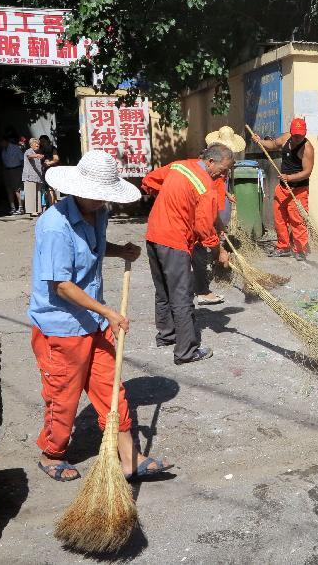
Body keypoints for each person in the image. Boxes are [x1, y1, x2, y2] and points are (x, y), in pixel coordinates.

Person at [28, 150, 171, 482]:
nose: (103, 200)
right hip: (60, 326)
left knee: (112, 388)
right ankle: (53, 453)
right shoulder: (54, 226)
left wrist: (119, 250)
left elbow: (93, 246)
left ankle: (129, 457)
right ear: (78, 188)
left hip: (93, 322)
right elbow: (61, 285)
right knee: (62, 394)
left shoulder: (99, 212)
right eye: (98, 194)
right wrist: (109, 311)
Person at [141, 143, 234, 364]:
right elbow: (203, 228)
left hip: (154, 235)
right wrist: (218, 250)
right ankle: (186, 351)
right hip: (174, 242)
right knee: (182, 296)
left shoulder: (179, 166)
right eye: (223, 169)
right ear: (210, 161)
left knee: (162, 290)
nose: (224, 174)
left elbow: (149, 181)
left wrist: (171, 200)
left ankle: (167, 335)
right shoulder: (206, 186)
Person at [250, 118, 314, 261]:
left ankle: (300, 249)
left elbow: (307, 172)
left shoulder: (307, 148)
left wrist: (290, 178)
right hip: (283, 187)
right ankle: (283, 246)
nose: (298, 138)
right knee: (279, 218)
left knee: (297, 220)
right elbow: (272, 144)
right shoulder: (286, 138)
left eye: (301, 135)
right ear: (291, 132)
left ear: (305, 133)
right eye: (296, 135)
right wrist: (260, 141)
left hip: (298, 190)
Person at [195, 127, 246, 306]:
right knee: (204, 240)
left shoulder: (220, 164)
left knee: (217, 231)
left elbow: (220, 181)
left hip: (216, 200)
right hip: (208, 200)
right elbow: (203, 222)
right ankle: (202, 286)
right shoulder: (206, 165)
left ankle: (210, 268)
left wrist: (226, 193)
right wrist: (219, 250)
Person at [22, 138, 45, 216]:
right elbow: (29, 156)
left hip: (37, 177)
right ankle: (32, 210)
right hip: (29, 176)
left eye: (38, 144)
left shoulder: (38, 152)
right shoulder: (29, 151)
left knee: (37, 193)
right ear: (31, 145)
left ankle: (38, 210)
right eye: (35, 144)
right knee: (30, 193)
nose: (37, 145)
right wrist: (36, 155)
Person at [38, 135, 60, 206]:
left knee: (51, 188)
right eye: (41, 141)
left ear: (48, 141)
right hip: (44, 171)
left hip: (52, 170)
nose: (42, 143)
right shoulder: (40, 149)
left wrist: (49, 163)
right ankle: (53, 204)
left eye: (44, 141)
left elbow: (56, 159)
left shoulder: (52, 148)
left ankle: (52, 205)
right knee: (49, 189)